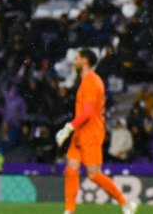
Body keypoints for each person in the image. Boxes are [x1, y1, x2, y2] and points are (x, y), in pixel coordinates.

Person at [55, 49, 138, 214]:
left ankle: (126, 202)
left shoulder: (92, 82)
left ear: (84, 61)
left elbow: (87, 113)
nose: (74, 61)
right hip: (81, 132)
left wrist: (69, 127)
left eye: (77, 58)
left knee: (94, 175)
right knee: (71, 169)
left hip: (91, 133)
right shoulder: (86, 81)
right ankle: (69, 211)